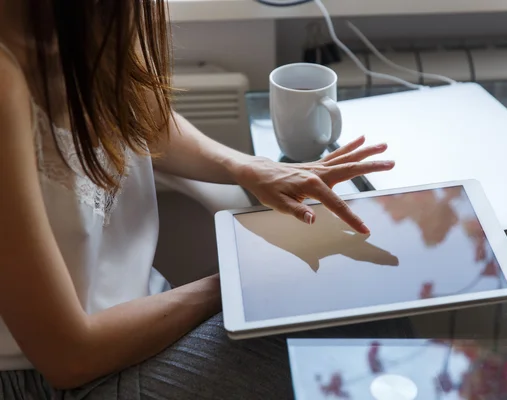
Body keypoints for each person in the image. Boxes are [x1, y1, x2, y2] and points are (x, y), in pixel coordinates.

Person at [0, 1, 397, 398]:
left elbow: (140, 116)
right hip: (55, 380)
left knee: (363, 307)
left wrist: (244, 165)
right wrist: (235, 280)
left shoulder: (88, 26)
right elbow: (69, 358)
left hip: (138, 315)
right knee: (346, 340)